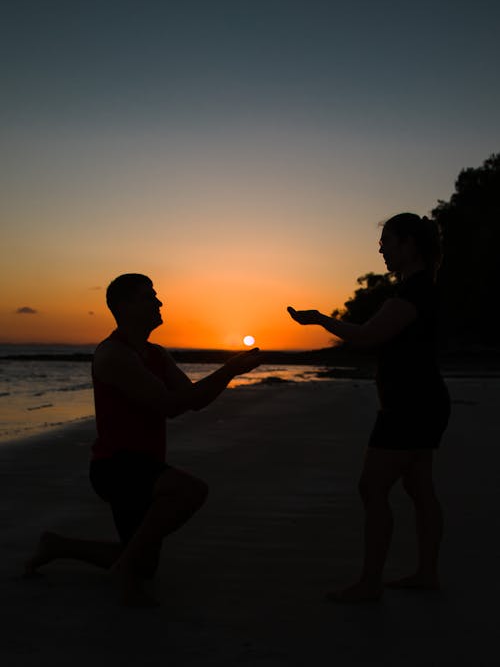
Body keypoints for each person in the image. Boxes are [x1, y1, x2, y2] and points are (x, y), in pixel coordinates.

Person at [26, 273, 261, 606]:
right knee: (190, 491)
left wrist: (231, 371)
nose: (159, 302)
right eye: (149, 296)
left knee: (145, 565)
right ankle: (123, 569)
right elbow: (170, 406)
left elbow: (192, 400)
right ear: (124, 306)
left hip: (146, 466)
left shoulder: (156, 353)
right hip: (116, 467)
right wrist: (227, 370)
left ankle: (57, 546)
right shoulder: (113, 355)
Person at [288, 213, 450, 603]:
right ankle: (425, 574)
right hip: (422, 402)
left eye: (388, 242)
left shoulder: (412, 294)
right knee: (418, 485)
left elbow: (365, 336)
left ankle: (370, 583)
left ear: (409, 244)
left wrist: (321, 320)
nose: (381, 249)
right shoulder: (421, 289)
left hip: (410, 407)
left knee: (373, 486)